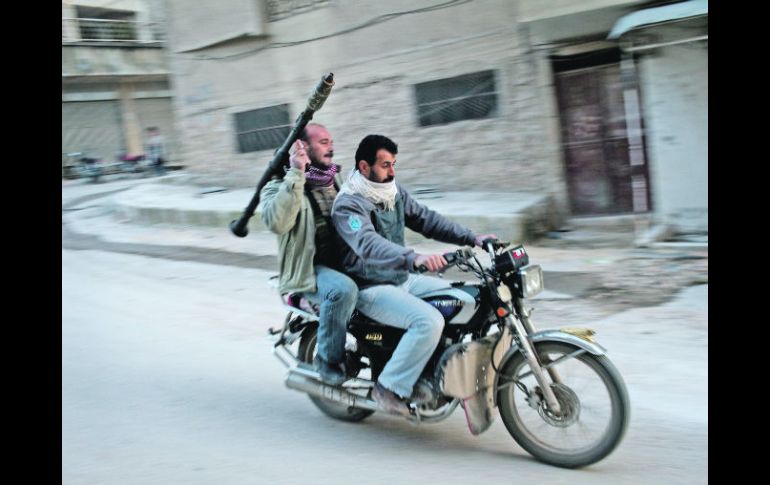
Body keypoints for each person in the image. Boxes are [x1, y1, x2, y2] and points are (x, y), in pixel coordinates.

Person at [331, 134, 497, 416]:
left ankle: (434, 370)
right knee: (428, 321)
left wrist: (473, 238)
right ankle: (389, 387)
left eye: (394, 164)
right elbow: (368, 244)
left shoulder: (392, 192)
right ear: (364, 166)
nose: (392, 171)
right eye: (385, 165)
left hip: (401, 278)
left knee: (462, 299)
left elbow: (427, 220)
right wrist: (414, 257)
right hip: (370, 286)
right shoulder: (349, 204)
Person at [257, 123, 357, 385]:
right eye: (323, 142)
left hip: (342, 262)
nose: (331, 147)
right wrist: (297, 172)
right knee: (342, 291)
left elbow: (352, 219)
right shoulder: (277, 186)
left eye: (331, 141)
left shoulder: (333, 180)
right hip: (309, 272)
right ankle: (326, 360)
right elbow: (277, 222)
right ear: (302, 147)